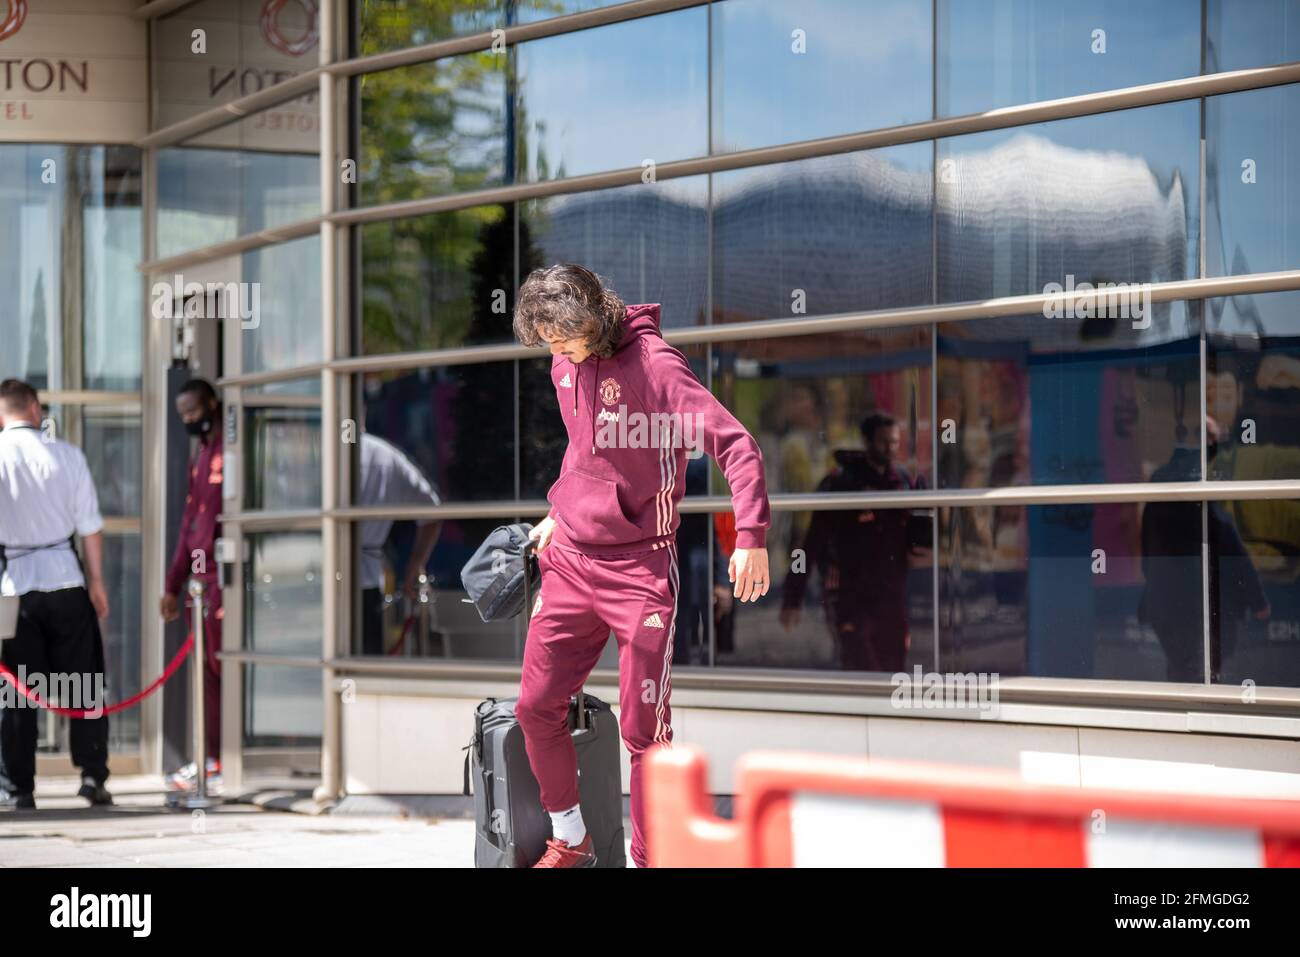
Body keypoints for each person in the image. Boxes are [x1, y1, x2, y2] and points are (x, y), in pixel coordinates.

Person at [511, 263, 770, 868]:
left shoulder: (656, 365)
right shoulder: (564, 360)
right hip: (571, 558)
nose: (559, 353)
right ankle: (570, 835)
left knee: (644, 732)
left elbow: (737, 445)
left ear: (595, 317)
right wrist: (559, 507)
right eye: (549, 342)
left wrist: (751, 536)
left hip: (639, 569)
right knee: (534, 706)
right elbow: (584, 444)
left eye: (565, 338)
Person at [0, 379, 112, 809]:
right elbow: (91, 526)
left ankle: (17, 788)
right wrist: (97, 582)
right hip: (66, 579)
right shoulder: (66, 455)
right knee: (84, 683)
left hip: (15, 589)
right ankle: (91, 777)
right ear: (33, 408)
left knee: (14, 691)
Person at [780, 412, 925, 672]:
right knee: (860, 666)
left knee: (894, 667)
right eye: (884, 442)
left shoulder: (902, 482)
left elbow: (918, 537)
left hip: (892, 593)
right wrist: (793, 597)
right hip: (850, 594)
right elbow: (811, 543)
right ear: (867, 442)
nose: (891, 448)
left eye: (895, 442)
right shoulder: (842, 484)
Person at [160, 378, 224, 792]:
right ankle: (210, 758)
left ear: (212, 405)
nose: (188, 419)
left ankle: (223, 759)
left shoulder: (228, 453)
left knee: (224, 669)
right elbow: (191, 526)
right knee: (206, 676)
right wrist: (174, 583)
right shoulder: (200, 458)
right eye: (182, 413)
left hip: (226, 581)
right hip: (201, 585)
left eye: (194, 411)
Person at [356, 431, 443, 655]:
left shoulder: (322, 448)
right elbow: (432, 511)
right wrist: (415, 565)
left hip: (323, 580)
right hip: (367, 581)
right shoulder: (384, 455)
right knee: (365, 671)